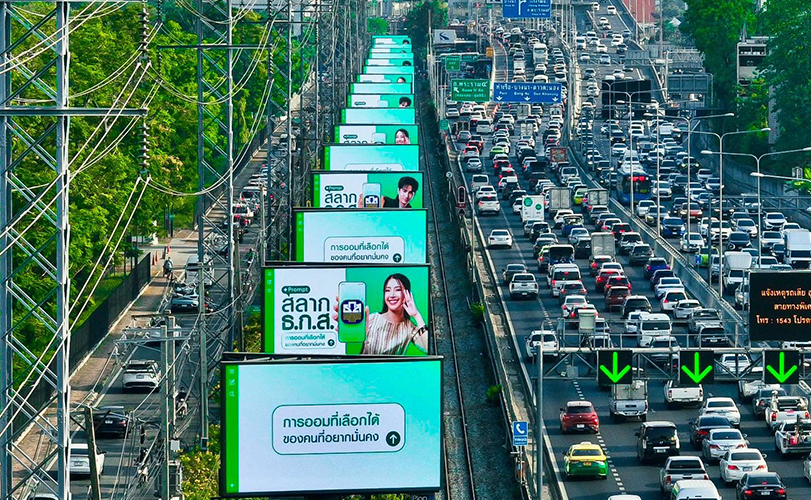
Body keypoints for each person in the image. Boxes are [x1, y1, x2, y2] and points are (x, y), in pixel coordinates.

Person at [332, 274, 428, 355]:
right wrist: (352, 330)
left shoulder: (410, 328)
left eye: (398, 289)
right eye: (387, 290)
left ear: (407, 294)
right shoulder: (371, 319)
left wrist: (416, 315)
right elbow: (352, 342)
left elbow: (428, 348)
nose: (392, 295)